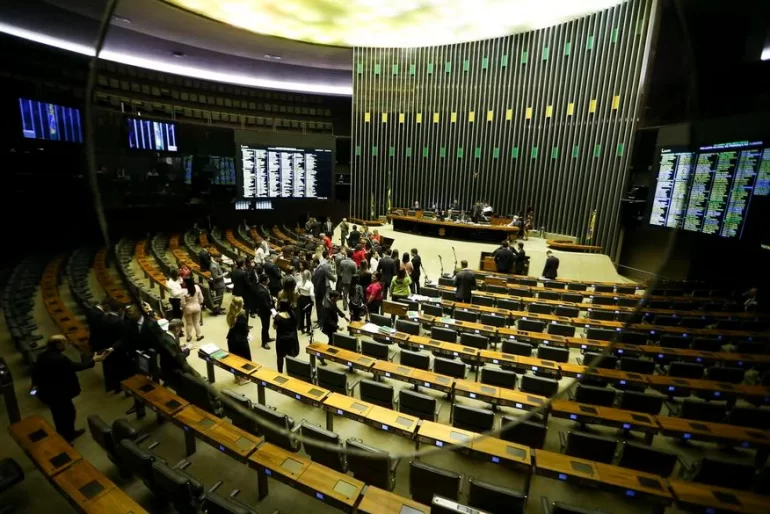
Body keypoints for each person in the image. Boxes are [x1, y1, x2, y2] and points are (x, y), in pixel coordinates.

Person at [32, 335, 109, 442]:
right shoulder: (59, 358)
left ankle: (67, 433)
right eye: (65, 342)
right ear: (58, 345)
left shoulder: (42, 355)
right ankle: (66, 437)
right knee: (67, 415)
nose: (67, 344)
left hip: (48, 392)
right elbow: (76, 366)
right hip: (59, 393)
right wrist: (94, 360)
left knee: (58, 415)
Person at [226, 297, 252, 385]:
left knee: (234, 358)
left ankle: (237, 377)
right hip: (241, 341)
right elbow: (245, 330)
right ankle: (243, 378)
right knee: (244, 359)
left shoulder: (231, 314)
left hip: (231, 339)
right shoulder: (242, 316)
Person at [158, 319, 189, 390]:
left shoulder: (164, 336)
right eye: (180, 329)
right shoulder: (171, 342)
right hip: (174, 369)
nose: (181, 331)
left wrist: (179, 348)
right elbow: (179, 359)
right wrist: (187, 350)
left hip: (164, 365)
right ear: (176, 328)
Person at [274, 299, 300, 373]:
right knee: (291, 356)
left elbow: (274, 327)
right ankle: (291, 371)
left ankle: (280, 372)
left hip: (281, 339)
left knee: (280, 356)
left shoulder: (278, 316)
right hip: (291, 339)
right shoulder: (292, 314)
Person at [312, 250, 337, 329]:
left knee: (324, 303)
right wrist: (334, 279)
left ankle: (323, 319)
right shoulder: (325, 265)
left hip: (321, 286)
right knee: (325, 303)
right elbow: (330, 275)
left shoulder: (321, 265)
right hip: (324, 286)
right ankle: (322, 319)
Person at [181, 276, 204, 342]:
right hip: (197, 306)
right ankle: (199, 335)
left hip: (188, 308)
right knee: (196, 322)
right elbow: (201, 298)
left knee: (188, 323)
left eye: (183, 282)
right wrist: (199, 303)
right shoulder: (197, 287)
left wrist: (183, 308)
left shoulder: (183, 291)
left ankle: (188, 337)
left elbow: (182, 302)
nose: (182, 283)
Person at [255, 274, 274, 350]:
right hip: (264, 312)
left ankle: (267, 338)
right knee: (265, 327)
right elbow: (265, 305)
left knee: (267, 326)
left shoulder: (263, 287)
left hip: (265, 311)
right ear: (264, 281)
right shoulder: (261, 292)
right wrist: (273, 310)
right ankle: (264, 343)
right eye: (267, 279)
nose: (269, 280)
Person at [297, 270, 315, 334]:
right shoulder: (310, 284)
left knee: (301, 315)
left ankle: (302, 329)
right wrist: (313, 301)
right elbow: (312, 294)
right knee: (308, 315)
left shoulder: (299, 283)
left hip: (300, 299)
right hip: (307, 300)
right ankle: (308, 329)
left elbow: (295, 291)